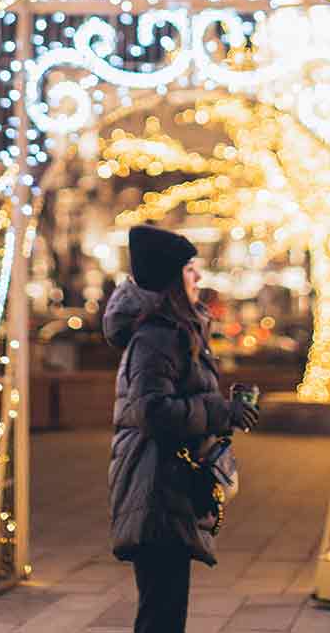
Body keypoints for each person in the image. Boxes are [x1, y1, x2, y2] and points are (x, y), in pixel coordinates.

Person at [104, 224, 260, 633]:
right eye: (190, 269)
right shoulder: (156, 338)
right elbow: (151, 411)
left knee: (166, 608)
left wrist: (224, 410)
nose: (198, 277)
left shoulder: (173, 332)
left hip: (169, 482)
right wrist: (218, 410)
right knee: (161, 613)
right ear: (171, 278)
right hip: (154, 484)